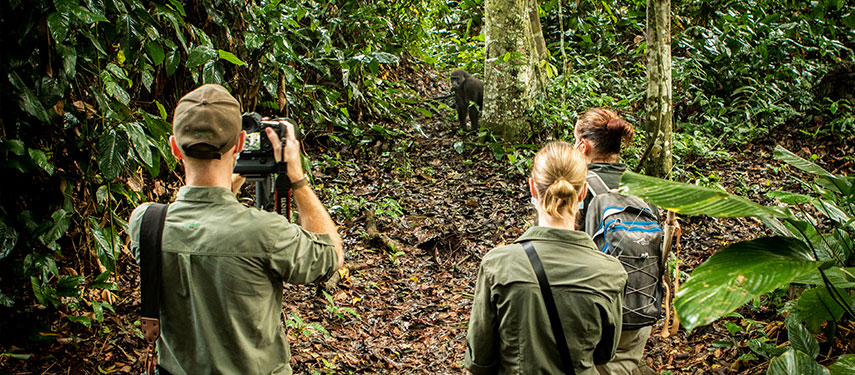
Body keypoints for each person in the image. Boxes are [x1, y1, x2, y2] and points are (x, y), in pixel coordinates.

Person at [128, 84, 343, 374]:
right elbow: (330, 257)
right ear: (240, 143)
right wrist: (297, 177)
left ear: (175, 147)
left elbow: (199, 228)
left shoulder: (146, 223)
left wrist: (225, 186)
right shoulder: (265, 232)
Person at [465, 141, 628, 374]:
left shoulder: (498, 265)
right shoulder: (611, 272)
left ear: (532, 188)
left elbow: (479, 360)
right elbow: (604, 353)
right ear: (582, 192)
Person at [573, 107, 659, 375]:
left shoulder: (579, 187)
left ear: (583, 146)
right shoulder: (644, 188)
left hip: (596, 315)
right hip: (641, 308)